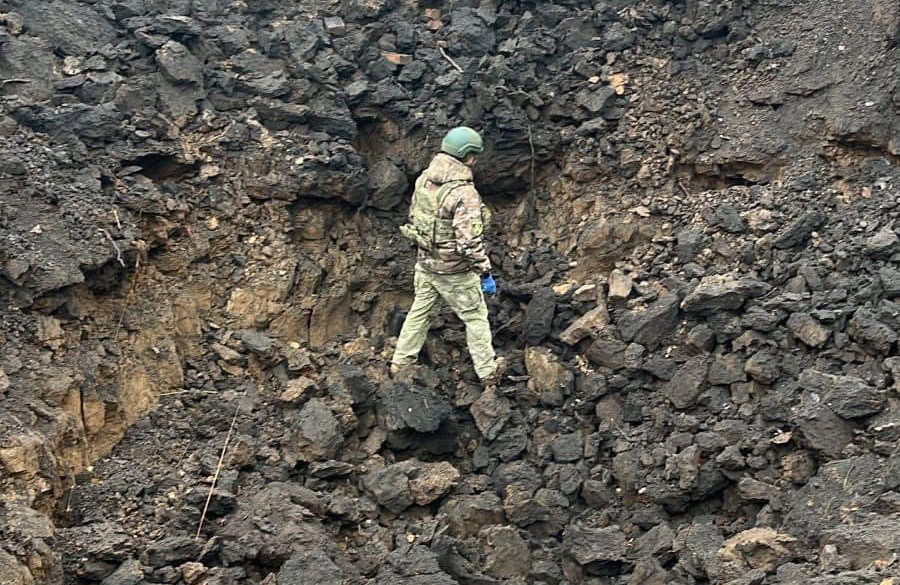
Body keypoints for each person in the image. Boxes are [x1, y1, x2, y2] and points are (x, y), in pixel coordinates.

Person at [391, 126, 503, 387]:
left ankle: (400, 362)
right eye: (474, 155)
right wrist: (484, 271)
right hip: (454, 272)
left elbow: (415, 219)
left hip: (425, 264)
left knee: (420, 312)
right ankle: (488, 372)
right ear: (468, 156)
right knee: (475, 318)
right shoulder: (464, 193)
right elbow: (468, 243)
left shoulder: (423, 180)